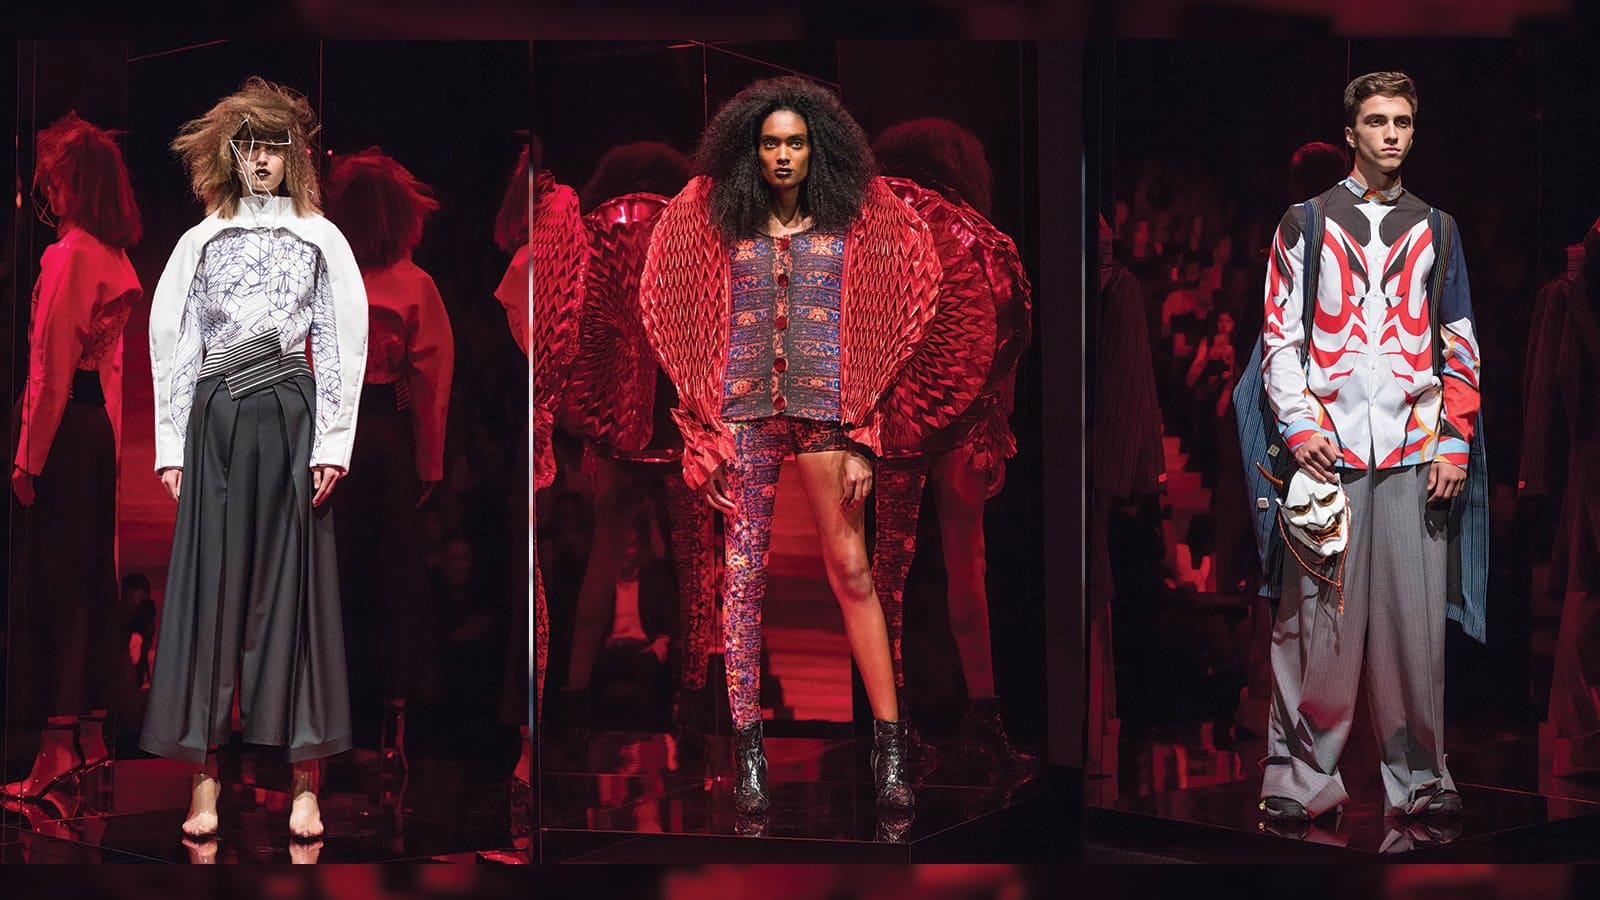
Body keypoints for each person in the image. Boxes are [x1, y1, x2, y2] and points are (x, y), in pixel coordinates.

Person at [639, 76, 939, 813]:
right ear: (751, 150)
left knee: (852, 570)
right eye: (770, 143)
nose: (782, 156)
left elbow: (911, 285)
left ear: (816, 149)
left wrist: (865, 430)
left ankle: (890, 748)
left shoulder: (850, 227)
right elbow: (664, 292)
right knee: (741, 581)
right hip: (745, 417)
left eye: (796, 143)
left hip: (827, 414)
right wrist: (702, 425)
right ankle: (749, 753)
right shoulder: (724, 226)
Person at [141, 77, 369, 840]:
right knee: (209, 593)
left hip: (291, 413)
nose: (263, 161)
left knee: (297, 594)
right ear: (230, 155)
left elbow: (340, 339)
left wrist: (333, 440)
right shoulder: (200, 240)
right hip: (216, 418)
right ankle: (203, 779)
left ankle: (306, 780)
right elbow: (176, 342)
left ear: (294, 155)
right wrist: (171, 444)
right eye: (251, 148)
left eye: (275, 147)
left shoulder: (320, 237)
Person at [1256, 71, 1481, 824]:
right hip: (1329, 452)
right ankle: (1300, 779)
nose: (1392, 134)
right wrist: (1300, 427)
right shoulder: (1305, 222)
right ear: (1351, 133)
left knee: (1415, 630)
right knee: (1317, 625)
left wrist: (1454, 442)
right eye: (1378, 121)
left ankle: (1421, 779)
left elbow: (1460, 343)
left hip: (1415, 452)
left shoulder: (1439, 228)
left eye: (1403, 122)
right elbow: (1279, 339)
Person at [869, 117, 1036, 774]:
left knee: (887, 574)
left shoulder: (880, 233)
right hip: (962, 416)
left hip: (892, 413)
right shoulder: (980, 241)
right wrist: (996, 424)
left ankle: (895, 728)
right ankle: (981, 717)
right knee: (968, 566)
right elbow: (1007, 337)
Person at [5, 111, 142, 805]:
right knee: (90, 582)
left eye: (55, 181)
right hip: (95, 432)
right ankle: (89, 737)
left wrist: (27, 456)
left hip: (63, 433)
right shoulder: (115, 259)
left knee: (56, 583)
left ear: (77, 183)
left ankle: (58, 746)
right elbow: (107, 371)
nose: (48, 192)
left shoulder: (69, 256)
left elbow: (51, 363)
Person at [325, 147, 455, 768]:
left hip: (336, 441)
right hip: (388, 439)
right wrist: (429, 462)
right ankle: (392, 724)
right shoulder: (416, 285)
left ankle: (334, 720)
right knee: (395, 578)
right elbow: (433, 383)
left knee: (338, 578)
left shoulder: (326, 277)